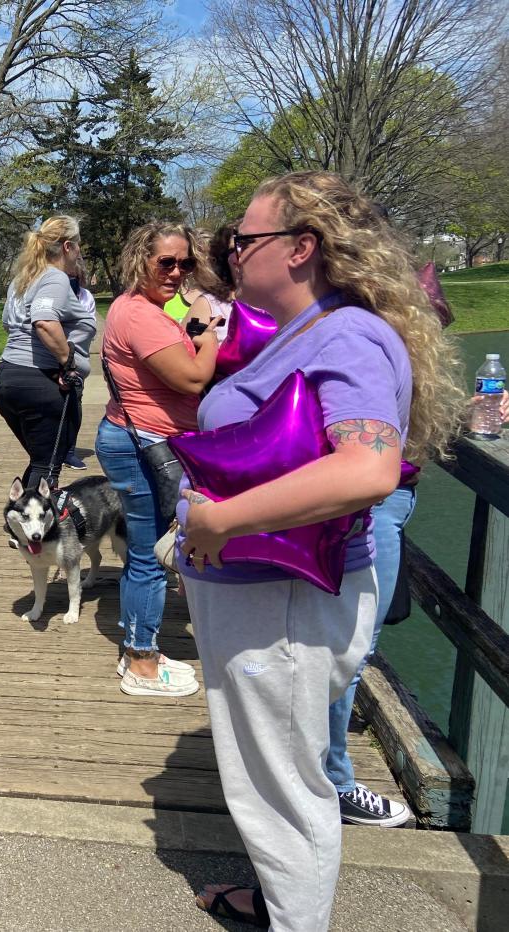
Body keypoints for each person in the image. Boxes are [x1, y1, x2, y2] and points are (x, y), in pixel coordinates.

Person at [182, 172, 465, 931]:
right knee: (274, 770)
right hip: (265, 589)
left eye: (247, 238)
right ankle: (277, 899)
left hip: (284, 596)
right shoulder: (310, 331)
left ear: (301, 248)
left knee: (279, 784)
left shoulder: (348, 333)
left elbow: (367, 467)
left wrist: (221, 522)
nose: (232, 250)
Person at [96, 222, 210, 699]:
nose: (177, 271)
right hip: (143, 445)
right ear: (140, 260)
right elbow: (191, 380)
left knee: (146, 551)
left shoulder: (146, 309)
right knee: (147, 555)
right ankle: (141, 661)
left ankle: (139, 648)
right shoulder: (139, 315)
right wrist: (211, 332)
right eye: (166, 262)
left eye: (185, 263)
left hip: (143, 440)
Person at [0, 215, 97, 492]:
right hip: (38, 380)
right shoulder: (54, 278)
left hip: (7, 378)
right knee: (48, 463)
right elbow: (43, 319)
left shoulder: (23, 279)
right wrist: (68, 363)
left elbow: (8, 322)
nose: (79, 252)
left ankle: (22, 518)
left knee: (42, 459)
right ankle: (34, 531)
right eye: (77, 245)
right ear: (66, 247)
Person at [61, 259, 99, 471]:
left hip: (77, 358)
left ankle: (69, 451)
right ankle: (51, 450)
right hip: (49, 357)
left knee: (74, 402)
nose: (70, 280)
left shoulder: (86, 297)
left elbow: (88, 328)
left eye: (74, 277)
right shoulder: (49, 295)